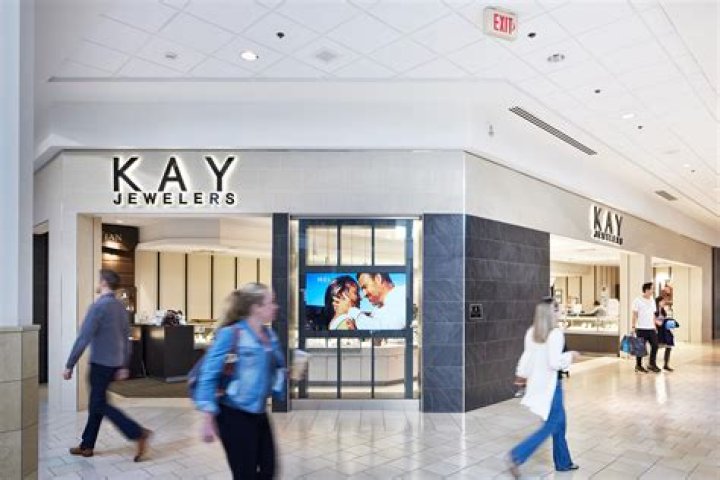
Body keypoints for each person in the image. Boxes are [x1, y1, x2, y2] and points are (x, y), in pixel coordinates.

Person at [194, 283, 286, 479]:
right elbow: (209, 374)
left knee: (268, 469)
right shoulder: (231, 334)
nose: (275, 307)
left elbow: (275, 368)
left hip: (258, 412)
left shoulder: (269, 335)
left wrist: (286, 376)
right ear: (256, 307)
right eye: (271, 302)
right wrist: (208, 419)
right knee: (245, 473)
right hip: (233, 415)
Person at [63, 269, 151, 461]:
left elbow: (83, 338)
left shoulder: (98, 307)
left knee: (99, 403)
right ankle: (87, 445)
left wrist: (70, 364)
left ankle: (138, 433)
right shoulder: (120, 307)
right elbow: (126, 338)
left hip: (99, 365)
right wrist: (124, 365)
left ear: (103, 282)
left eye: (99, 280)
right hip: (114, 365)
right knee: (97, 403)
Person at [507, 300, 579, 478]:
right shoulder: (555, 334)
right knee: (551, 425)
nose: (560, 311)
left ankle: (563, 462)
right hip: (552, 386)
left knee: (560, 424)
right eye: (557, 308)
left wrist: (521, 375)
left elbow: (526, 357)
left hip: (538, 384)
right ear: (550, 312)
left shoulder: (532, 332)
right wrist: (570, 356)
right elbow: (554, 363)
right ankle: (517, 455)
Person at [333, 272, 406, 330]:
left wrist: (351, 310)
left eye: (365, 287)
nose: (364, 294)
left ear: (378, 279)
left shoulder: (402, 295)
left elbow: (387, 329)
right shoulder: (378, 308)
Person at [632, 282, 660, 373]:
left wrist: (655, 326)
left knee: (655, 345)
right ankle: (638, 366)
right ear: (647, 290)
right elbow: (634, 314)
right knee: (640, 348)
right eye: (652, 289)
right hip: (641, 328)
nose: (653, 291)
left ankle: (651, 364)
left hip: (651, 328)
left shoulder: (652, 300)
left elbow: (653, 314)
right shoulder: (637, 300)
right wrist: (633, 326)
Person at [655, 296, 677, 372]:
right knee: (656, 347)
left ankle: (666, 365)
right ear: (658, 302)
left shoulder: (663, 311)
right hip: (658, 331)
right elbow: (654, 320)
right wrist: (658, 323)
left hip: (664, 330)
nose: (664, 302)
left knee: (669, 345)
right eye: (662, 301)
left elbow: (663, 320)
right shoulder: (654, 311)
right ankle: (652, 364)